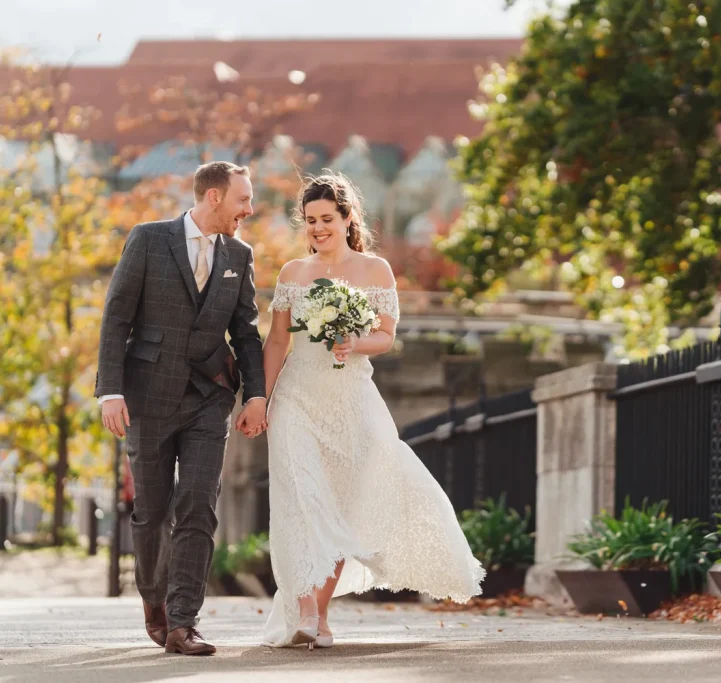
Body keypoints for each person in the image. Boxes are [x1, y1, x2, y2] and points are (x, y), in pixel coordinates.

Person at [260, 172, 484, 649]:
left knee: (341, 505)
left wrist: (353, 340)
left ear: (347, 219)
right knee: (302, 500)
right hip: (297, 397)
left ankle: (318, 616)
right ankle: (301, 607)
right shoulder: (292, 275)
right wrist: (259, 398)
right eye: (310, 220)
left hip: (351, 399)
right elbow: (278, 340)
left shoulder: (375, 270)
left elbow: (385, 336)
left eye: (327, 219)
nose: (318, 228)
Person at [95, 161, 268, 656]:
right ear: (214, 197)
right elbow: (116, 316)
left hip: (209, 399)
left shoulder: (240, 254)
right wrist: (111, 390)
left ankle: (184, 621)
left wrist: (255, 394)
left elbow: (246, 332)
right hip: (146, 396)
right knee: (151, 512)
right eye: (242, 200)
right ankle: (155, 601)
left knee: (197, 505)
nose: (248, 210)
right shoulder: (149, 239)